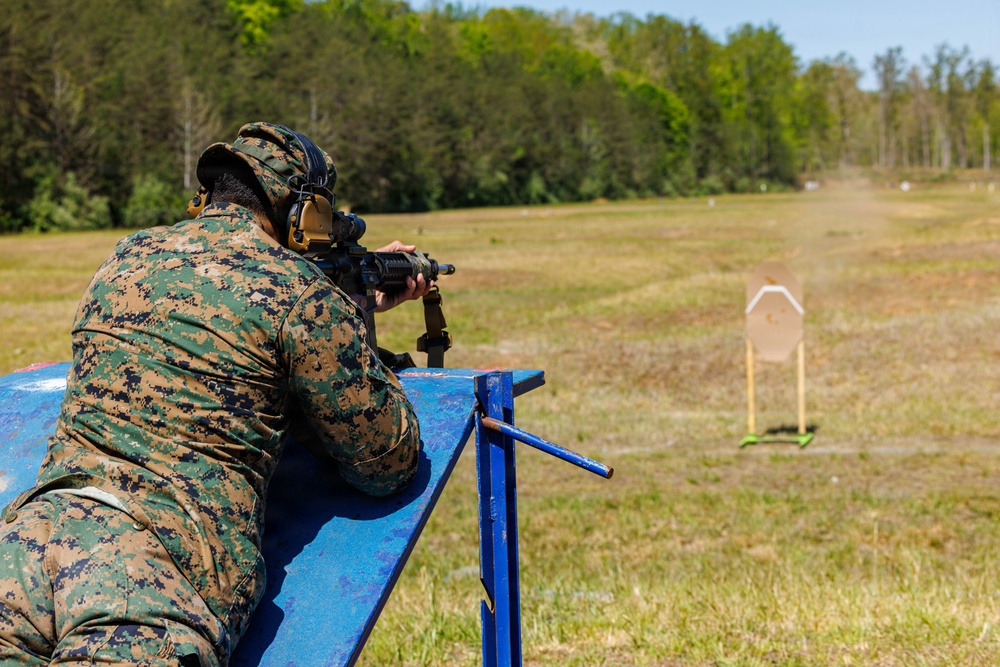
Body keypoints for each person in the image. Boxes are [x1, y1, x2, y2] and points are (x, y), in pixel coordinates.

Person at [0, 123, 428, 666]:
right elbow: (386, 463)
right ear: (305, 213)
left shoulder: (125, 257)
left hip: (27, 548)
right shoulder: (302, 296)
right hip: (150, 581)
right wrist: (352, 324)